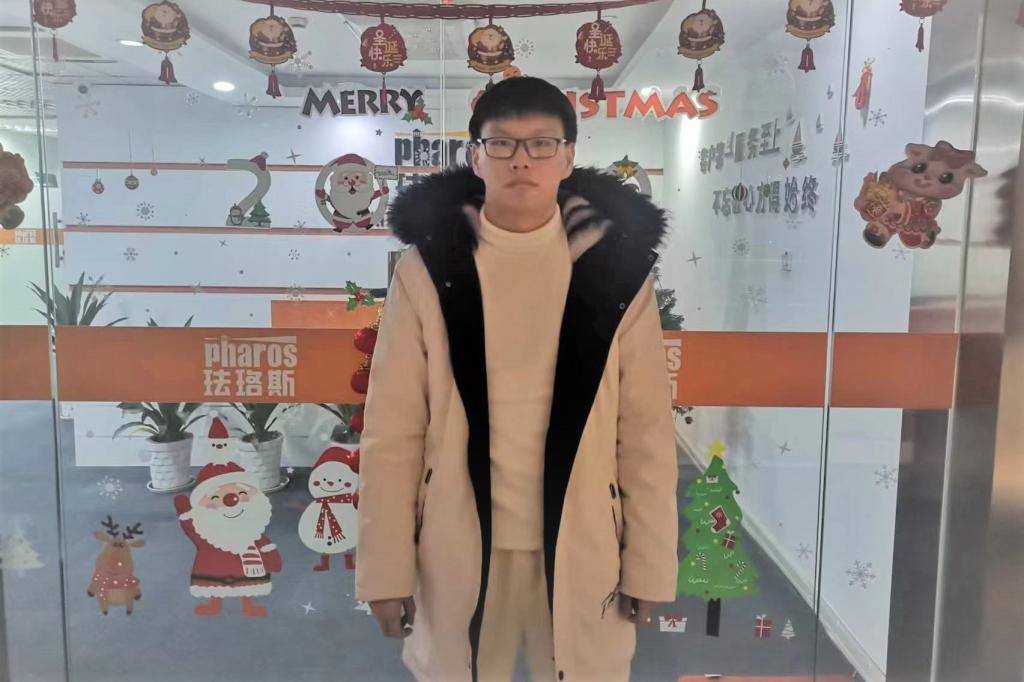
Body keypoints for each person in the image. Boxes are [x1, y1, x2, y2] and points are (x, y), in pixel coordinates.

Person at [355, 76, 678, 682]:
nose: (521, 160)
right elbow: (393, 431)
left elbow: (645, 431)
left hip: (582, 535)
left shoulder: (615, 273)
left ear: (569, 156)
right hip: (460, 534)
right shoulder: (429, 269)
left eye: (541, 143)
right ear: (475, 156)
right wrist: (385, 569)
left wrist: (650, 563)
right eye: (501, 144)